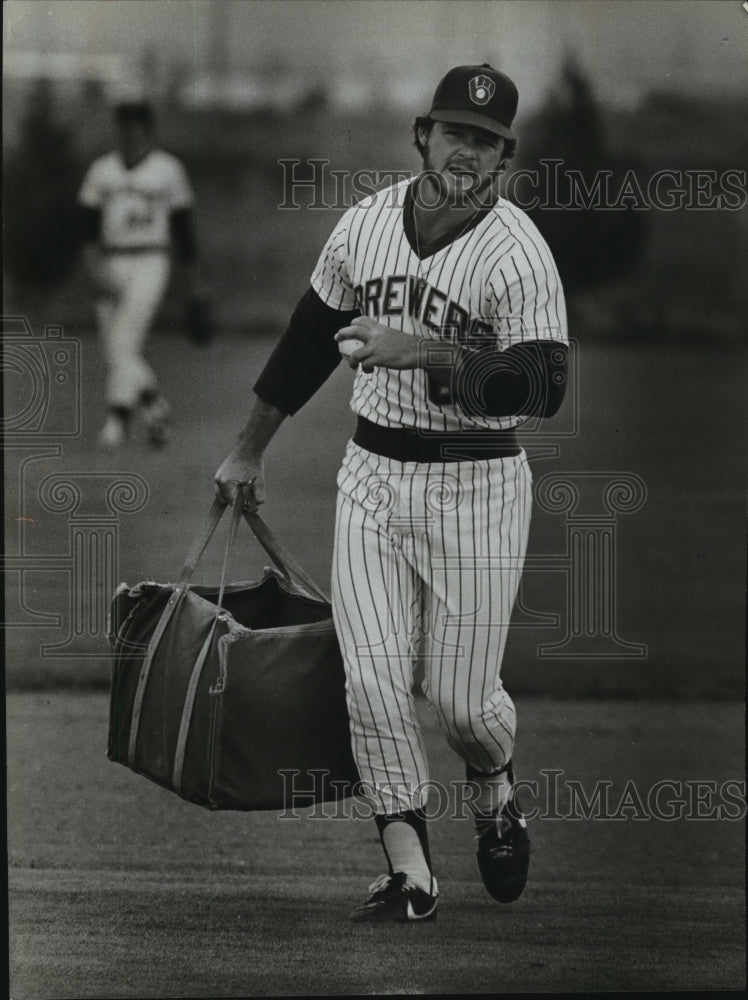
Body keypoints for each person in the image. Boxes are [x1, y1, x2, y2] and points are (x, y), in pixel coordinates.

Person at [215, 64, 568, 922]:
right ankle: (410, 870)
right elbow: (306, 343)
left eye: (486, 140)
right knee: (370, 683)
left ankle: (495, 792)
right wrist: (245, 452)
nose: (467, 150)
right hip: (372, 478)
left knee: (462, 703)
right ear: (422, 134)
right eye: (455, 132)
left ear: (504, 156)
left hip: (478, 486)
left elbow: (544, 383)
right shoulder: (365, 225)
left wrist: (428, 352)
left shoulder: (517, 251)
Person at [78, 99, 199, 449]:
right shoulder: (102, 170)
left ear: (148, 131)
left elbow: (184, 227)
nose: (130, 135)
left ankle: (116, 422)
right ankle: (155, 407)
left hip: (151, 259)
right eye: (124, 128)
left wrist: (193, 283)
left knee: (124, 339)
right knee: (115, 345)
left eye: (137, 128)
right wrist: (94, 269)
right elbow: (85, 227)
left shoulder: (168, 169)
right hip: (111, 258)